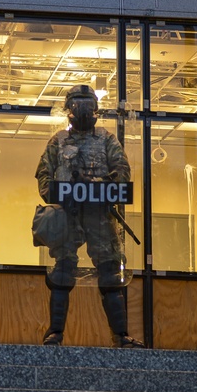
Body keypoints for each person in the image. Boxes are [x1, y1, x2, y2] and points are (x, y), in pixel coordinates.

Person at [35, 84, 143, 348]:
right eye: (77, 104)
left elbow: (122, 171)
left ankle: (119, 335)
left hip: (99, 214)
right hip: (67, 214)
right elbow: (43, 176)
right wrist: (55, 194)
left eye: (87, 104)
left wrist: (101, 185)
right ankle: (55, 333)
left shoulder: (107, 139)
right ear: (69, 109)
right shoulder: (57, 140)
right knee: (62, 273)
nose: (82, 110)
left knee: (110, 273)